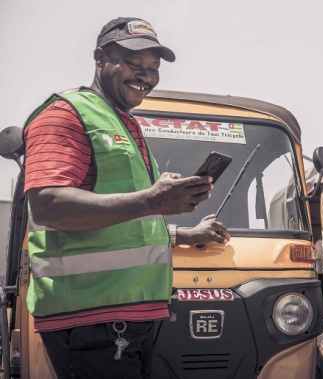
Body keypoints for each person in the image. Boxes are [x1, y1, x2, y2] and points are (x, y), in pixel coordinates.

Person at [23, 17, 230, 378]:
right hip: (92, 318)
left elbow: (126, 226)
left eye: (154, 68)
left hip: (127, 317)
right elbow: (47, 206)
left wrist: (183, 233)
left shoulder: (123, 122)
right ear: (99, 57)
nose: (145, 76)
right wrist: (153, 201)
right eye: (134, 64)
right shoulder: (64, 115)